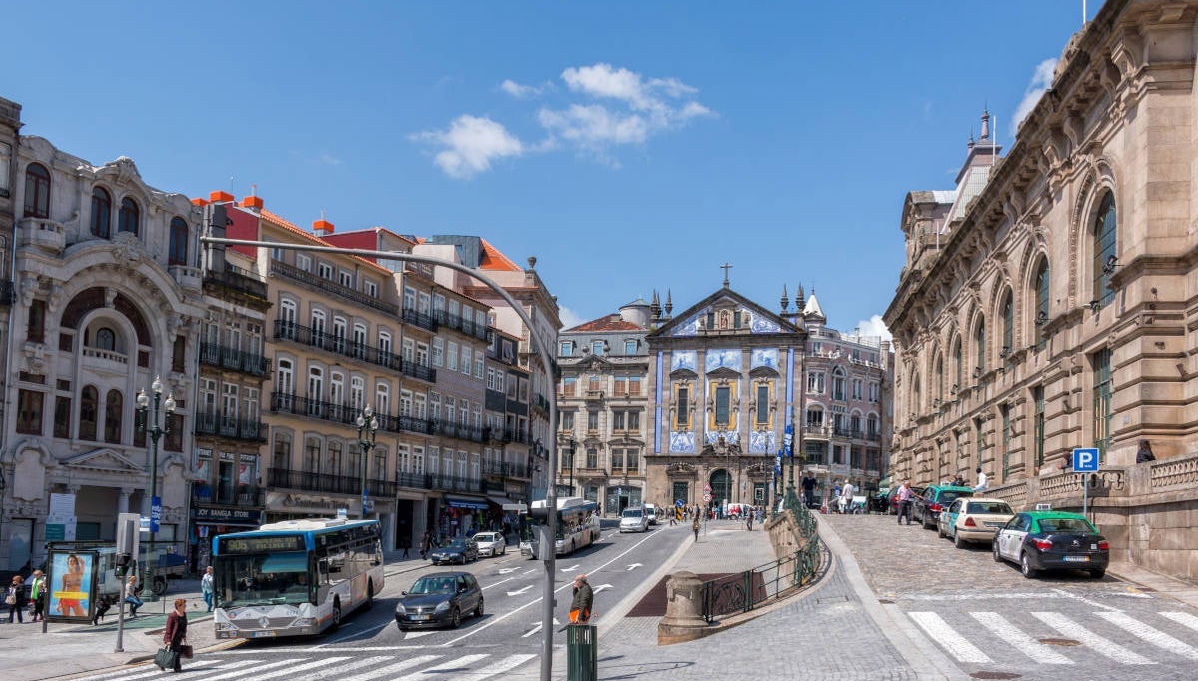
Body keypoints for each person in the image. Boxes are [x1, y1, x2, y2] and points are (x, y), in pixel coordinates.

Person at [163, 598, 189, 673]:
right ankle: (177, 667)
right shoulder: (173, 615)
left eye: (185, 605)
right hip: (172, 637)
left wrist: (184, 635)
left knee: (171, 652)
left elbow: (184, 625)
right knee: (176, 652)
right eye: (184, 606)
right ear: (178, 606)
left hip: (179, 636)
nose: (185, 607)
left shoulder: (184, 614)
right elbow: (168, 628)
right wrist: (168, 640)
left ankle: (162, 663)